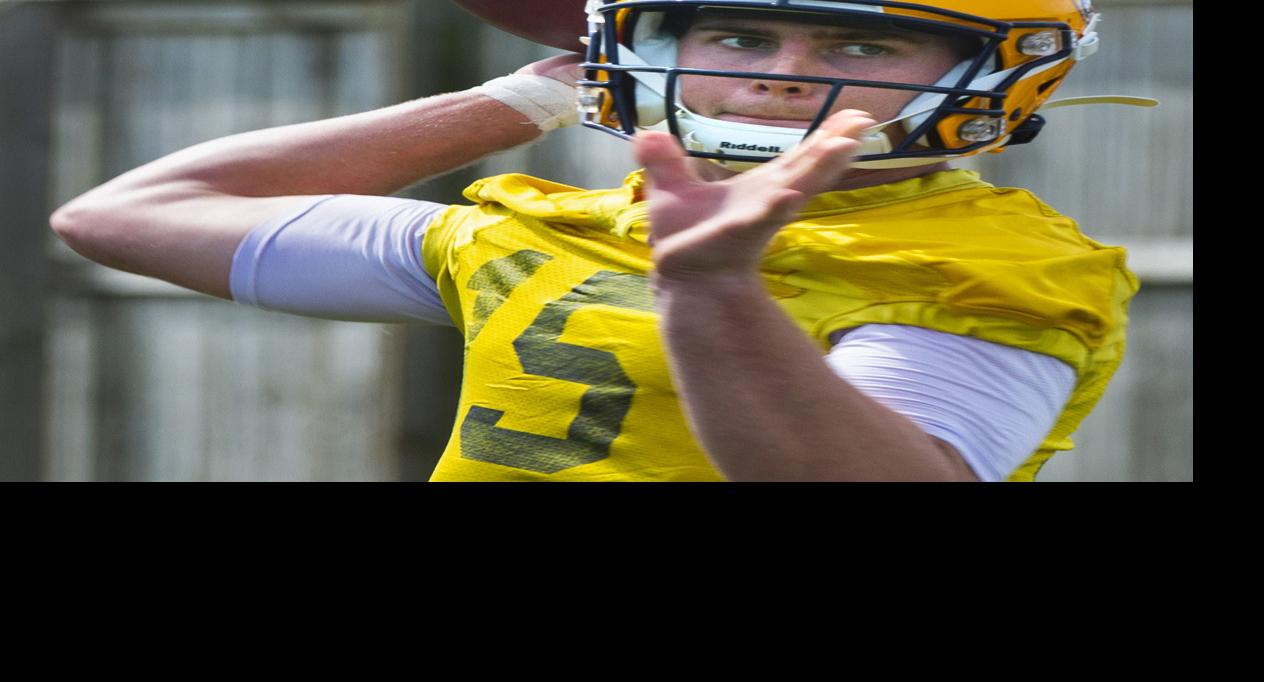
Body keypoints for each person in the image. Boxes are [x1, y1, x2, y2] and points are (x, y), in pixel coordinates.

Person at [49, 0, 1139, 482]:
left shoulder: (999, 267)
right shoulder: (552, 228)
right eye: (739, 33)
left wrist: (713, 293)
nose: (781, 69)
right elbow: (121, 216)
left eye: (860, 41)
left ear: (992, 71)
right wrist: (521, 100)